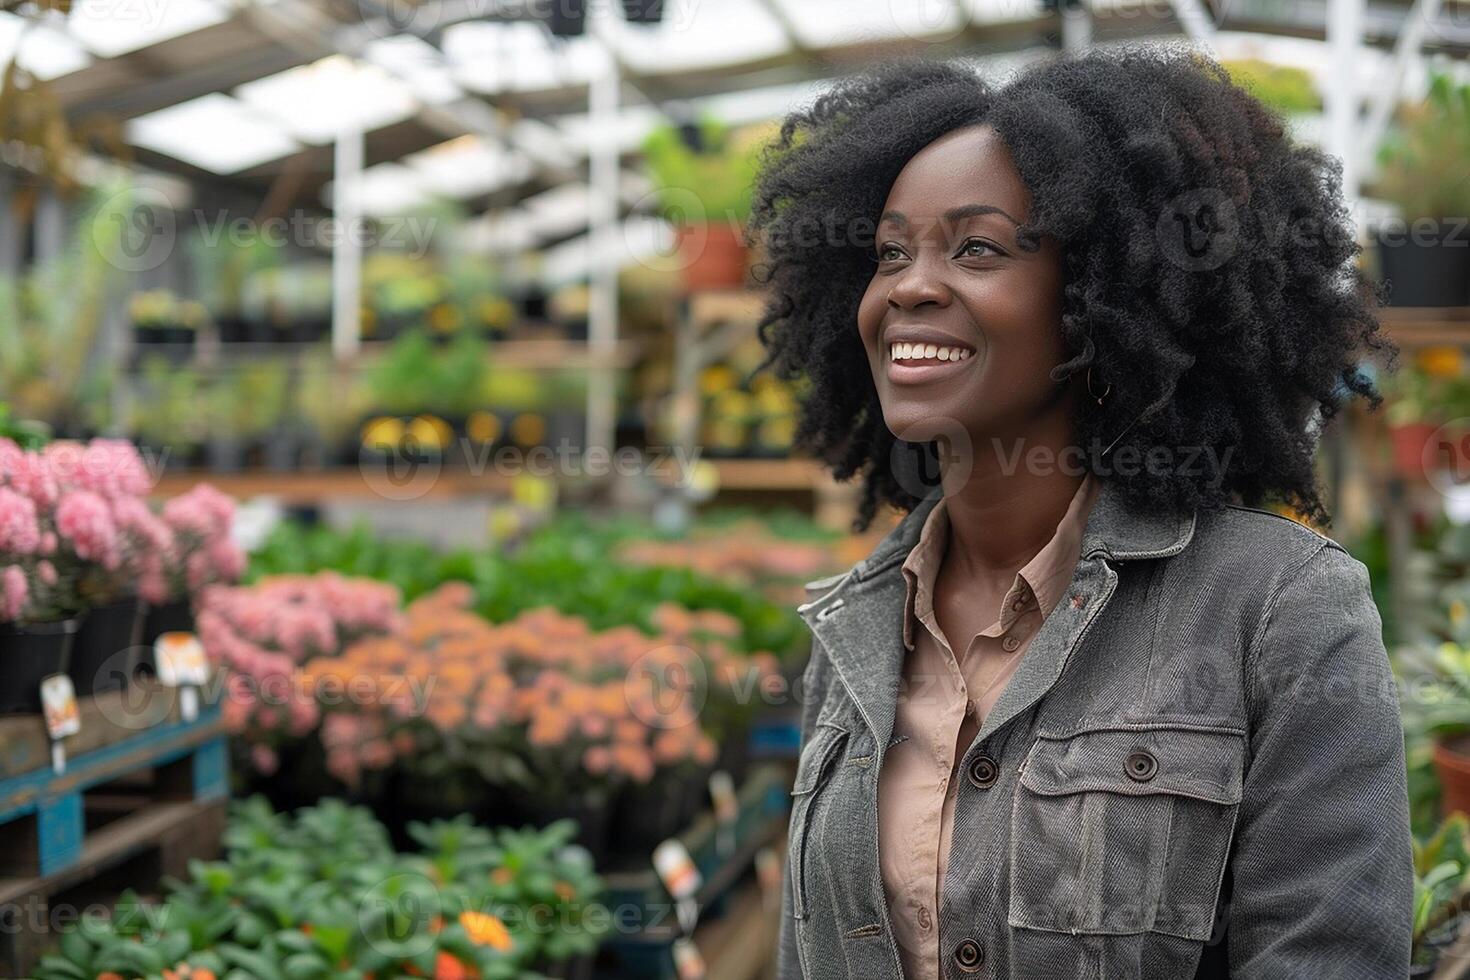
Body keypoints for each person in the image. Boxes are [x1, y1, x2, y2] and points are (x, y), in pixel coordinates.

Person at [749, 46, 1413, 980]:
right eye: (890, 252)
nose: (909, 286)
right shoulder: (854, 628)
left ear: (1103, 299)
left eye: (976, 248)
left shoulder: (1278, 611)